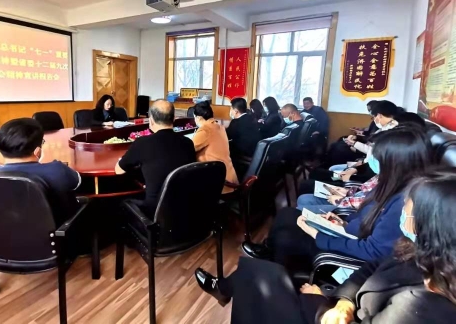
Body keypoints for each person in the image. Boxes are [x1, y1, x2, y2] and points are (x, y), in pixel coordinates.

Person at [194, 169, 456, 324]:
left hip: (324, 312)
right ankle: (226, 287)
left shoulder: (426, 306)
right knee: (258, 271)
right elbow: (372, 268)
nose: (404, 213)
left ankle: (226, 288)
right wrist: (344, 303)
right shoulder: (417, 252)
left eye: (408, 209)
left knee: (259, 276)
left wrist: (321, 303)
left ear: (433, 224)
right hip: (340, 303)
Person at [242, 127, 432, 266]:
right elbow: (366, 213)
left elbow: (373, 251)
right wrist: (342, 223)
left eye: (379, 157)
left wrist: (319, 236)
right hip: (349, 231)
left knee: (286, 236)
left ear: (395, 162)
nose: (372, 160)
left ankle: (276, 265)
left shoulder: (404, 202)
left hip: (349, 250)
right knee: (287, 215)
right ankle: (269, 250)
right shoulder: (390, 183)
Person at [0, 118, 81, 226]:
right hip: (57, 232)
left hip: (0, 233)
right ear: (37, 151)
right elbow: (78, 183)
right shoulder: (57, 170)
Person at [115, 100, 196, 218]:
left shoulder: (142, 143)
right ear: (174, 118)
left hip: (155, 212)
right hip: (185, 208)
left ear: (151, 120)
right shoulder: (188, 143)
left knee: (123, 202)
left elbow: (118, 170)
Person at [192, 101, 238, 192]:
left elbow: (188, 148)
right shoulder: (220, 127)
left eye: (194, 117)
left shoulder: (205, 130)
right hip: (230, 178)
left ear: (199, 118)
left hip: (219, 183)